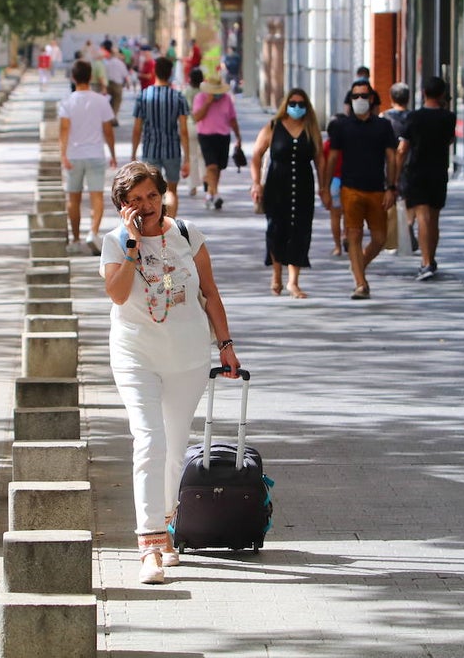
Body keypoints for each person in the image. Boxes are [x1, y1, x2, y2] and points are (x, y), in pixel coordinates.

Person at [101, 161, 241, 585]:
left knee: (175, 447)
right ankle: (149, 546)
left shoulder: (186, 235)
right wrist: (130, 244)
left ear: (162, 195)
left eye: (151, 196)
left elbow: (209, 293)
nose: (145, 206)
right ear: (122, 205)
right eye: (135, 200)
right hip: (135, 355)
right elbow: (119, 294)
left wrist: (227, 346)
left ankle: (165, 528)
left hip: (188, 357)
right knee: (149, 441)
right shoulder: (114, 242)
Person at [325, 80, 397, 299]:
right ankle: (360, 283)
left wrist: (392, 187)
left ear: (372, 98)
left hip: (377, 189)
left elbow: (392, 157)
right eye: (355, 96)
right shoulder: (342, 126)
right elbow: (333, 157)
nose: (360, 100)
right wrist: (325, 187)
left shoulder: (383, 126)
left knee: (380, 238)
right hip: (350, 189)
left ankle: (359, 265)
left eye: (364, 96)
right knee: (354, 234)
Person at [251, 88, 325, 298]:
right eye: (293, 103)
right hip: (277, 185)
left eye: (301, 104)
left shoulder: (311, 128)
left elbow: (320, 160)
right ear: (286, 104)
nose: (297, 107)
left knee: (300, 230)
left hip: (303, 186)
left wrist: (324, 187)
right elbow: (257, 154)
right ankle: (277, 275)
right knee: (276, 229)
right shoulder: (273, 126)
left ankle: (294, 282)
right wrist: (256, 183)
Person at [395, 76, 456, 282]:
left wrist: (395, 173)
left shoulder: (413, 117)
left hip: (417, 171)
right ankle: (431, 258)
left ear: (423, 93)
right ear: (442, 94)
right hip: (438, 171)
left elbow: (403, 148)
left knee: (423, 217)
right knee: (434, 218)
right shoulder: (449, 117)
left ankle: (425, 261)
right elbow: (449, 141)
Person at [60, 60, 117, 254]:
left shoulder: (67, 102)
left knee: (73, 198)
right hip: (95, 154)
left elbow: (64, 130)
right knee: (97, 196)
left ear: (73, 78)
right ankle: (93, 232)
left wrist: (63, 155)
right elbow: (108, 130)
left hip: (74, 156)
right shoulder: (101, 100)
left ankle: (75, 240)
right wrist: (113, 153)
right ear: (91, 76)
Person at [131, 56, 191, 218]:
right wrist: (187, 158)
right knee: (171, 191)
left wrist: (133, 153)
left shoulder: (143, 96)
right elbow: (183, 130)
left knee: (150, 191)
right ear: (170, 73)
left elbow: (137, 129)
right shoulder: (178, 97)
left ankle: (154, 224)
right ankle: (170, 226)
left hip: (150, 149)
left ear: (154, 72)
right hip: (172, 149)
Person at [193, 75, 242, 211]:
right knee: (212, 166)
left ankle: (210, 193)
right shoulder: (200, 98)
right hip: (206, 136)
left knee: (219, 167)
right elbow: (196, 117)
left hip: (223, 136)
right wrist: (208, 103)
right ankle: (216, 194)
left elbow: (232, 119)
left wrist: (238, 136)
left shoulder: (226, 99)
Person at [383, 82, 415, 253]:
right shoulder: (413, 117)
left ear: (391, 97)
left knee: (390, 201)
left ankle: (393, 235)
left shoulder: (384, 118)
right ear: (408, 98)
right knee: (408, 201)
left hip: (388, 166)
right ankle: (408, 225)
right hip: (411, 166)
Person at [182, 68, 206, 198]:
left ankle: (192, 186)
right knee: (203, 155)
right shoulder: (205, 93)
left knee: (191, 156)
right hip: (204, 126)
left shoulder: (185, 92)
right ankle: (206, 180)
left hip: (189, 125)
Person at [101, 40, 129, 125]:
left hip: (109, 84)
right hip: (118, 85)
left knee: (110, 102)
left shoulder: (106, 63)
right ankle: (113, 118)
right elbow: (125, 75)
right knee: (117, 102)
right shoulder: (120, 63)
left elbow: (104, 74)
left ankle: (109, 118)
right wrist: (128, 84)